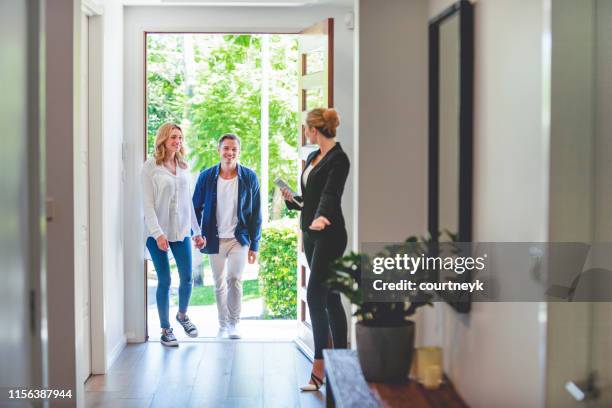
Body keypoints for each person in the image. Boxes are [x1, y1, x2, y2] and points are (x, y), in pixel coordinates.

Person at [281, 108, 350, 391]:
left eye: (306, 129)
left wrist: (322, 216)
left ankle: (318, 368)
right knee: (331, 298)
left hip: (330, 236)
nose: (305, 133)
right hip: (311, 235)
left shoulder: (338, 159)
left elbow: (331, 194)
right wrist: (292, 199)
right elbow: (309, 197)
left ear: (314, 129)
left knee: (314, 295)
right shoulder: (312, 157)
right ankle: (341, 365)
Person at [142, 123, 206, 347]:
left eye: (180, 137)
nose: (177, 141)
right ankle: (165, 329)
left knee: (187, 278)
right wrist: (158, 234)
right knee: (165, 279)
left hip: (181, 232)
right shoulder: (150, 167)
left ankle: (182, 315)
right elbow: (147, 205)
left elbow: (187, 203)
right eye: (173, 137)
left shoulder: (183, 166)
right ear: (163, 140)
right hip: (156, 233)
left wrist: (197, 232)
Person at [192, 134, 262, 339]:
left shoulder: (249, 177)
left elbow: (256, 214)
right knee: (218, 282)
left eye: (234, 149)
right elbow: (195, 208)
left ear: (239, 152)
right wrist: (196, 235)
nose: (229, 153)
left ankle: (233, 324)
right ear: (219, 150)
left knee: (235, 279)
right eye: (226, 149)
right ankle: (222, 325)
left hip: (239, 238)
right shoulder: (206, 176)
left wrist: (254, 246)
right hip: (213, 238)